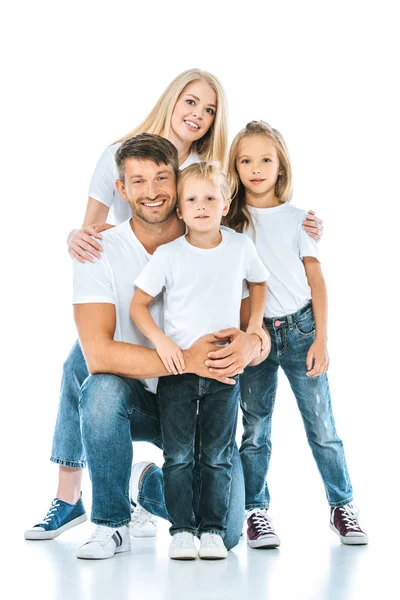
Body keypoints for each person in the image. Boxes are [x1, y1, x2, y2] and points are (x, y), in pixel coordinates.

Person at [24, 66, 323, 541]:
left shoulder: (204, 178)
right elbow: (91, 231)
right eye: (191, 102)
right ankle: (69, 499)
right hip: (129, 324)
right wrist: (74, 237)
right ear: (172, 99)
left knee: (225, 531)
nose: (198, 115)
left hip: (188, 348)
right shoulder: (117, 156)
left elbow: (247, 225)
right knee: (83, 366)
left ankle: (149, 485)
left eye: (209, 110)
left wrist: (298, 225)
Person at [70, 133, 266, 560]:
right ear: (121, 190)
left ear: (177, 185)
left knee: (228, 534)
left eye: (162, 178)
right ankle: (111, 522)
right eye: (137, 182)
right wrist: (183, 359)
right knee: (100, 392)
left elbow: (257, 316)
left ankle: (147, 486)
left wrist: (253, 341)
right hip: (140, 397)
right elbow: (98, 355)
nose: (152, 191)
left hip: (208, 396)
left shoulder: (219, 241)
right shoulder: (98, 249)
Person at [225, 120, 368, 548]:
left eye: (265, 159)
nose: (255, 168)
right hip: (255, 337)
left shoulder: (298, 220)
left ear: (280, 167)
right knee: (255, 429)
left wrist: (322, 338)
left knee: (322, 425)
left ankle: (342, 505)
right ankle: (255, 511)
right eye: (246, 160)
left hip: (302, 330)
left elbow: (317, 282)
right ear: (235, 166)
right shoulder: (230, 223)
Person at [130, 162, 269, 559]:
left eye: (211, 198)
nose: (202, 205)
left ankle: (210, 530)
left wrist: (253, 329)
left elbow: (258, 283)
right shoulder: (169, 254)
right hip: (178, 372)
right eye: (192, 199)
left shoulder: (240, 247)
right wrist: (162, 344)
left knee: (217, 454)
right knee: (178, 455)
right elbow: (139, 305)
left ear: (225, 204)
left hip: (225, 371)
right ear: (180, 210)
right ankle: (182, 531)